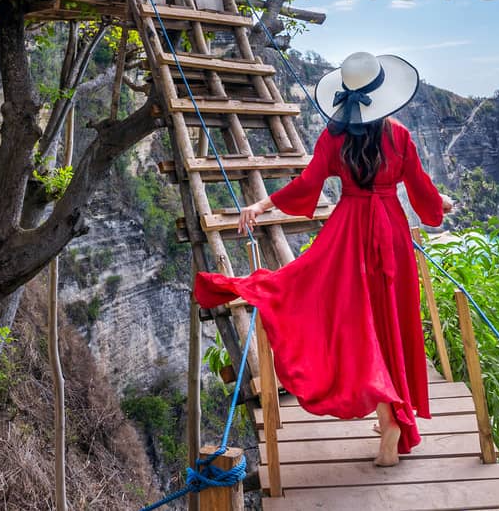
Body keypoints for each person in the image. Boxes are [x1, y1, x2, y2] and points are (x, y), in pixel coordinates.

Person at [193, 51, 454, 467]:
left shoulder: (334, 137)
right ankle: (393, 415)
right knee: (392, 324)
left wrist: (261, 206)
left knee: (353, 325)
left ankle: (387, 413)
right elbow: (420, 188)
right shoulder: (399, 135)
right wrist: (439, 207)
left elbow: (308, 184)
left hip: (349, 234)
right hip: (392, 235)